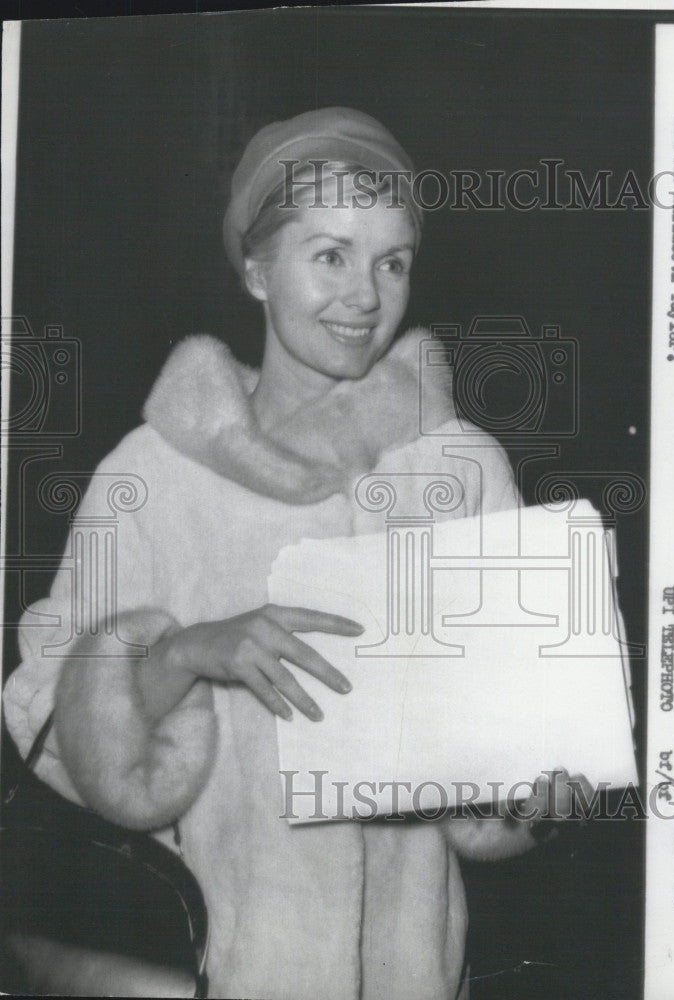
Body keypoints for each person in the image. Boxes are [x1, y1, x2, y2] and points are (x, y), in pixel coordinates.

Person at [3, 107, 586, 999]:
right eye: (329, 255)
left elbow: (533, 748)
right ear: (253, 268)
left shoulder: (459, 463)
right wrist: (191, 653)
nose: (365, 295)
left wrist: (539, 778)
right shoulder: (152, 475)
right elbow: (49, 722)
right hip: (221, 972)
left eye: (391, 261)